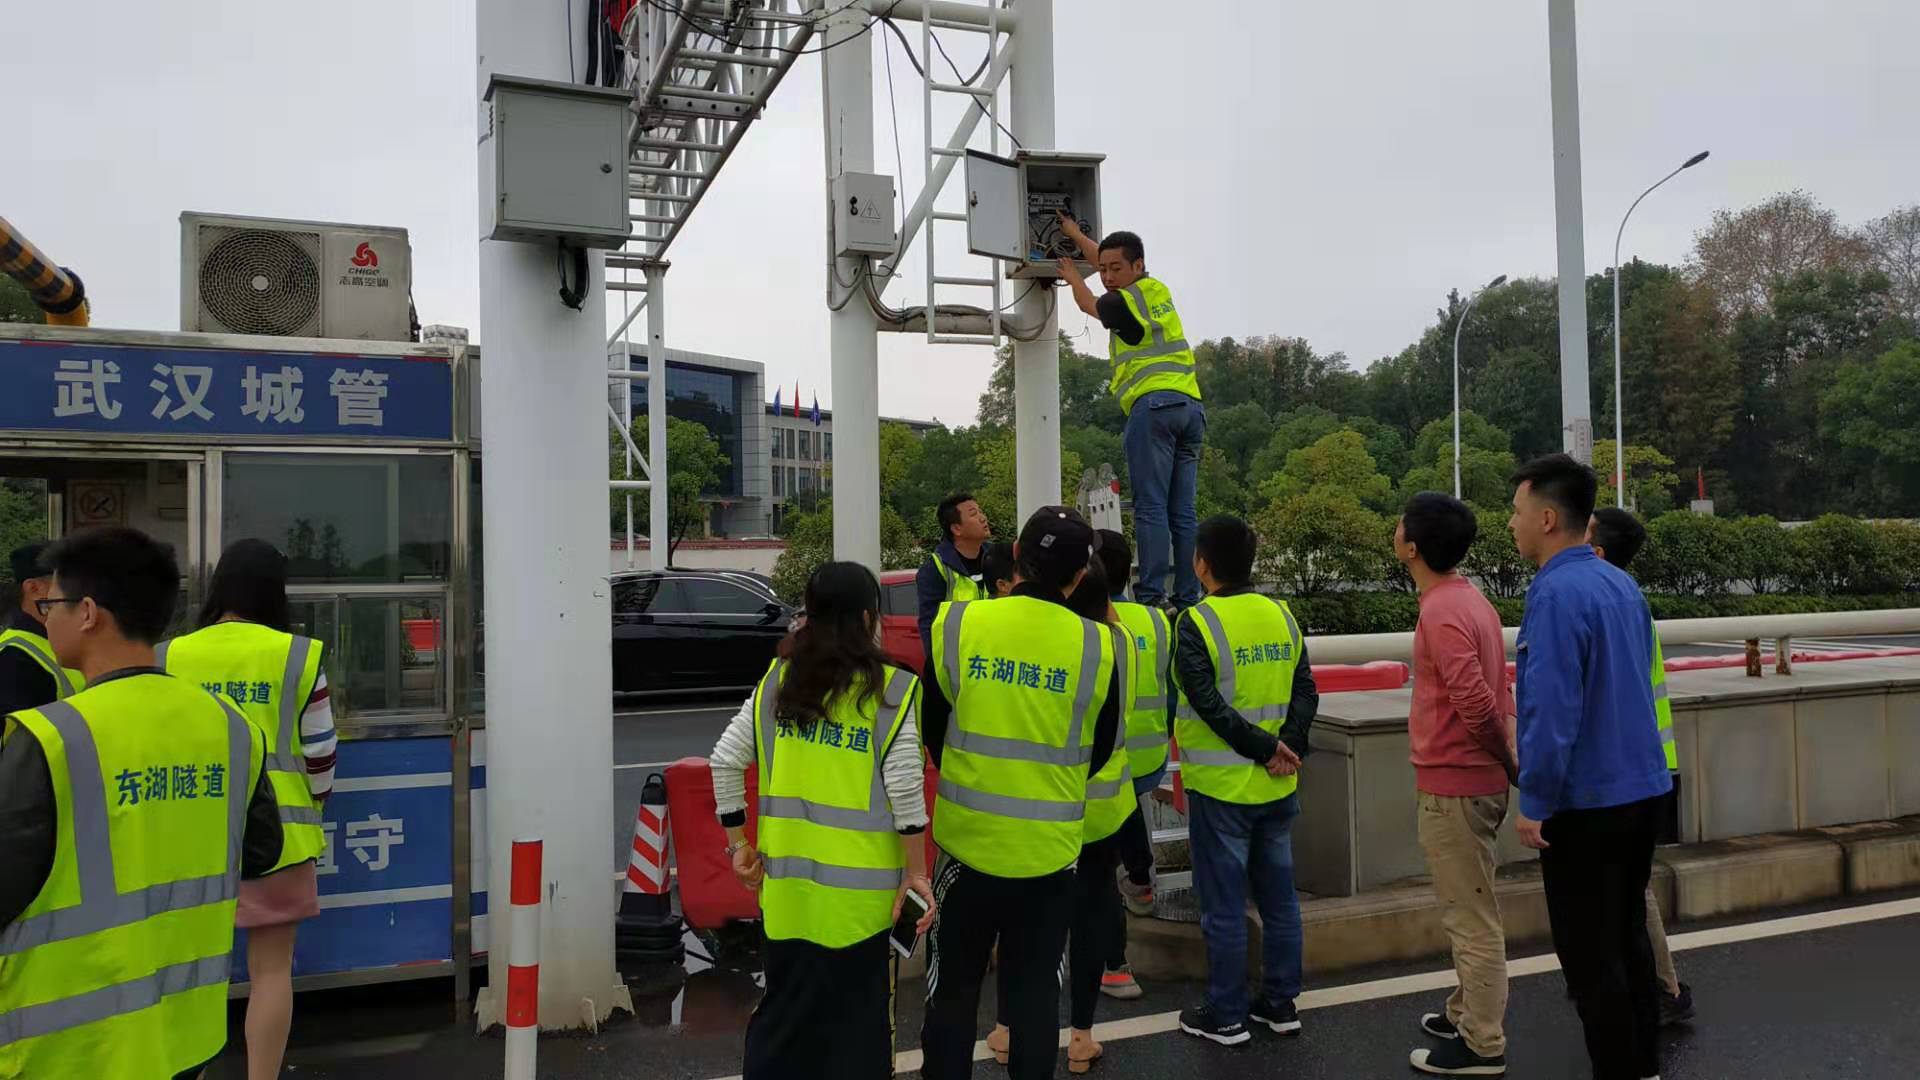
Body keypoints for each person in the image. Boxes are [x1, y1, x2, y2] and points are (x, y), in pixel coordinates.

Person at [0, 526, 283, 1079]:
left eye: (51, 604)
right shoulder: (231, 727)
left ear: (86, 612)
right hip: (186, 1036)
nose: (45, 615)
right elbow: (260, 852)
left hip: (68, 1050)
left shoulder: (48, 738)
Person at [918, 507, 1122, 1080]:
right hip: (1049, 855)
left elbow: (934, 729)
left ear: (1015, 555)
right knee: (1034, 999)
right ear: (1079, 576)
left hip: (965, 849)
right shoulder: (1099, 647)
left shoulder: (957, 625)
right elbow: (1100, 748)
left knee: (952, 995)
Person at [709, 561, 935, 1079]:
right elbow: (905, 793)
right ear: (867, 616)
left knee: (784, 1026)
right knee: (857, 1036)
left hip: (787, 899)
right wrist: (916, 874)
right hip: (861, 912)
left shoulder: (779, 681)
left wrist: (737, 845)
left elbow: (724, 760)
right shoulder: (891, 693)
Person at [1507, 456, 1672, 1080]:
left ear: (1548, 518)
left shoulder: (1554, 593)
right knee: (1628, 939)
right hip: (1642, 791)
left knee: (1588, 957)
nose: (1514, 524)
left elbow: (1550, 712)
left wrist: (1537, 803)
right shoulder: (1619, 584)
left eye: (1519, 512)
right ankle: (1644, 1066)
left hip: (1588, 803)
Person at [157, 539, 337, 1080]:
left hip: (187, 838)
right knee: (271, 971)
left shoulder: (170, 654)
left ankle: (190, 1069)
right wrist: (312, 803)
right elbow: (321, 757)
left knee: (188, 974)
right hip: (279, 838)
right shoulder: (299, 656)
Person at [984, 554, 1133, 1073]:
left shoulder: (1046, 642)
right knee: (1091, 920)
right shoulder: (1119, 643)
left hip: (1042, 808)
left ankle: (1005, 1029)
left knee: (1021, 926)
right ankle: (1081, 1040)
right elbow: (1112, 731)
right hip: (1103, 810)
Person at [1172, 515, 1317, 1047]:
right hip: (1279, 785)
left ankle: (1227, 1014)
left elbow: (1206, 703)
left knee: (1225, 908)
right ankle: (1280, 1005)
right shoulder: (1282, 615)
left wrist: (1264, 747)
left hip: (1222, 790)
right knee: (1279, 902)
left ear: (1201, 564)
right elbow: (1306, 688)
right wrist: (1290, 747)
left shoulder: (1196, 623)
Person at [1394, 493, 1518, 1077]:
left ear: (1412, 547)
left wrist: (1500, 752)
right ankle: (1466, 1009)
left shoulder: (1440, 610)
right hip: (1477, 779)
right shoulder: (1472, 601)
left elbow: (1474, 700)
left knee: (1470, 918)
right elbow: (1500, 689)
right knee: (1471, 901)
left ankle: (1481, 1043)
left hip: (1457, 784)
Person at [1055, 217, 1205, 609]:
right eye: (1101, 269)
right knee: (1182, 512)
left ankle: (1152, 596)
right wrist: (1074, 234)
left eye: (1114, 269)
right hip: (1189, 407)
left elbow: (1091, 303)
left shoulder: (1122, 301)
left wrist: (1073, 277)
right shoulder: (1153, 291)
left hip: (1153, 409)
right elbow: (1107, 258)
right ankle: (1188, 595)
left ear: (1138, 266)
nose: (1105, 276)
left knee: (1151, 507)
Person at [1588, 506, 1694, 1027]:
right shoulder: (1627, 598)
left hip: (1637, 770)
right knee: (1624, 887)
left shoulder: (1615, 602)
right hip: (1649, 766)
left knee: (1630, 890)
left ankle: (1663, 988)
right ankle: (1640, 981)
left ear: (1599, 553)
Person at [1093, 528, 1176, 999]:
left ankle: (1114, 963)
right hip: (1150, 753)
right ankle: (1141, 879)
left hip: (1108, 757)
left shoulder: (1088, 623)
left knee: (1101, 855)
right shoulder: (1157, 620)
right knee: (1129, 818)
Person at [0, 542, 85, 715]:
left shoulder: (65, 640)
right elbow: (16, 738)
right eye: (68, 583)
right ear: (33, 588)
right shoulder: (12, 656)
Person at [915, 493, 992, 648]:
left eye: (980, 511)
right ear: (956, 528)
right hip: (960, 660)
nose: (983, 518)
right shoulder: (935, 569)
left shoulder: (996, 558)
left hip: (995, 658)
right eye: (973, 514)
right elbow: (930, 627)